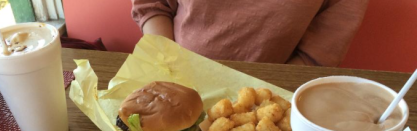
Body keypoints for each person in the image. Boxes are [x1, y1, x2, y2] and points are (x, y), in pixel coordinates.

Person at [131, 0, 369, 67]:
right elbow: (153, 5)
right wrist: (165, 62)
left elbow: (319, 55)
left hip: (273, 92)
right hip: (174, 68)